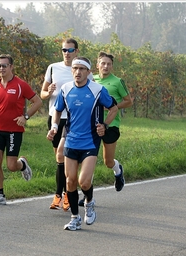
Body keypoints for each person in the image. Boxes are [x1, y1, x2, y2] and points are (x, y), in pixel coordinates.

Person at [47, 56, 118, 231]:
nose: (77, 72)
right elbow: (57, 110)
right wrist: (55, 127)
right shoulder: (66, 89)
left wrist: (105, 125)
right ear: (72, 71)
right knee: (70, 182)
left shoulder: (97, 90)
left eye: (81, 69)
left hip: (90, 142)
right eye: (75, 69)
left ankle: (89, 201)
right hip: (71, 140)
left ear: (88, 72)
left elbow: (114, 108)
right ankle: (75, 218)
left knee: (84, 182)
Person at [0, 54, 43, 205]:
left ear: (11, 67)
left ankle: (22, 164)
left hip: (14, 130)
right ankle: (0, 195)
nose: (1, 68)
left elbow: (37, 102)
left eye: (4, 65)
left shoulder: (21, 85)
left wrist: (26, 117)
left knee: (11, 166)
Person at [41, 38, 93, 211]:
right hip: (55, 116)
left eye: (70, 50)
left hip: (74, 119)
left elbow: (92, 93)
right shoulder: (53, 67)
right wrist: (47, 92)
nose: (67, 53)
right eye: (64, 50)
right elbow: (42, 94)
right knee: (59, 158)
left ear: (76, 52)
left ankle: (66, 194)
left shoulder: (83, 69)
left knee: (65, 156)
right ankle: (65, 193)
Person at [78, 51, 133, 207]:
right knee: (88, 161)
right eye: (103, 63)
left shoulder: (117, 82)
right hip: (92, 125)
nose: (106, 66)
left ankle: (117, 170)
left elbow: (128, 101)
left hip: (111, 124)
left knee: (107, 161)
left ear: (112, 66)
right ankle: (87, 196)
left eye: (108, 64)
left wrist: (112, 107)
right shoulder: (90, 79)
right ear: (97, 65)